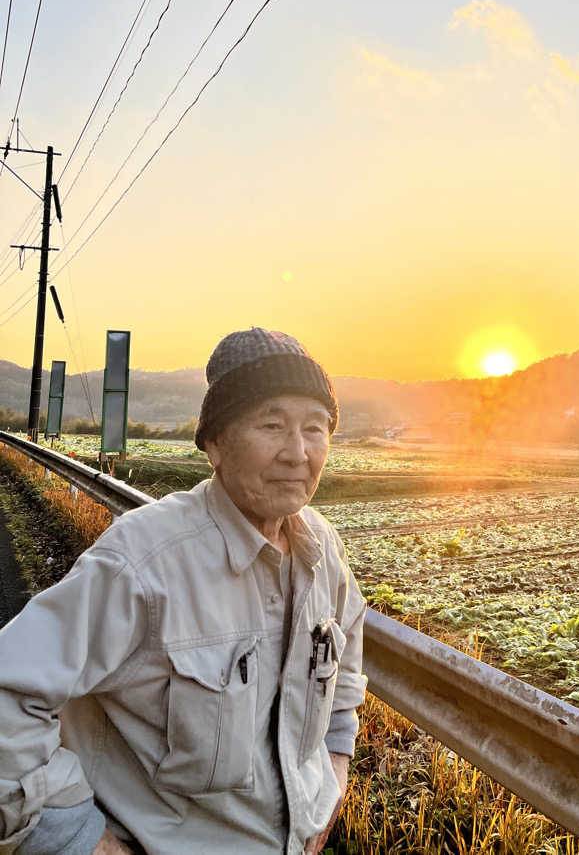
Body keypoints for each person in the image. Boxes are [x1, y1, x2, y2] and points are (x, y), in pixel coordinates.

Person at [0, 328, 367, 854]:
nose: (298, 452)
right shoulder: (144, 563)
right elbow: (8, 694)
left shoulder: (322, 550)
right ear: (214, 444)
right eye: (272, 425)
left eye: (316, 428)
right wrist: (76, 838)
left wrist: (331, 771)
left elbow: (344, 659)